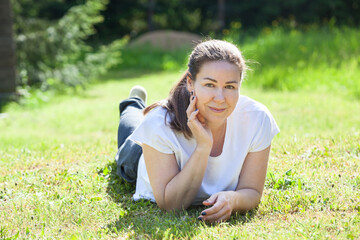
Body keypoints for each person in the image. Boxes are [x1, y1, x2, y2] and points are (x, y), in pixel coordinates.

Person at [115, 39, 280, 223]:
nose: (220, 98)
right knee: (131, 129)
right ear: (190, 83)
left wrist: (233, 200)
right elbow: (171, 205)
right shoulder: (158, 125)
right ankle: (133, 103)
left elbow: (252, 191)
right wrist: (203, 146)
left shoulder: (256, 118)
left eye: (230, 87)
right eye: (210, 85)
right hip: (141, 157)